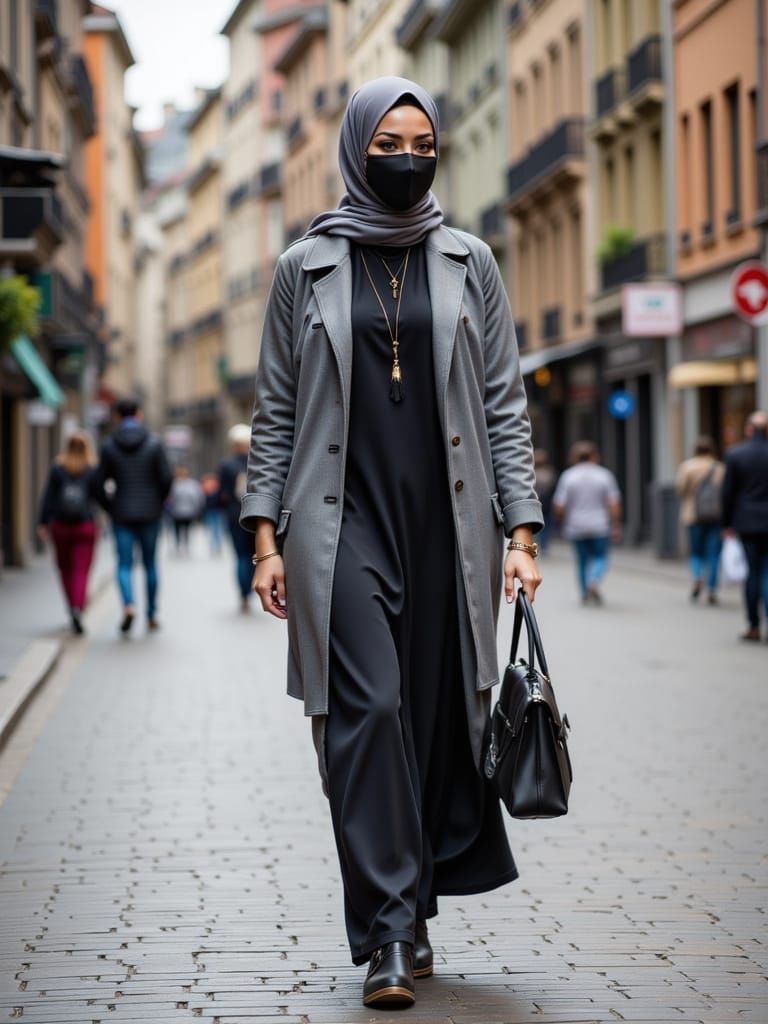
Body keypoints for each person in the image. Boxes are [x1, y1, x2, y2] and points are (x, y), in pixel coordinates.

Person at [239, 78, 543, 1009]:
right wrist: (264, 539)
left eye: (424, 141)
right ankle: (389, 934)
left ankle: (414, 903)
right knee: (365, 714)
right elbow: (278, 413)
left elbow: (503, 403)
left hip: (452, 526)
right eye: (390, 142)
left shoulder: (470, 261)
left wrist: (522, 532)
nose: (409, 156)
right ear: (356, 145)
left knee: (433, 716)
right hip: (341, 526)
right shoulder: (306, 267)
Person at [95, 397, 172, 635]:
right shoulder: (153, 443)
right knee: (150, 564)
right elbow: (166, 479)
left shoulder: (109, 445)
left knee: (124, 564)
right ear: (138, 414)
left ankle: (128, 605)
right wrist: (157, 501)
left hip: (122, 512)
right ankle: (151, 614)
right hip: (150, 513)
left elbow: (97, 483)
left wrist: (110, 506)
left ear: (118, 416)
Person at [38, 431, 100, 634]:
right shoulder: (92, 469)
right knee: (81, 570)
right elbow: (100, 498)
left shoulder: (58, 468)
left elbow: (48, 496)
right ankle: (78, 607)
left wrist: (43, 522)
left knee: (64, 569)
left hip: (60, 526)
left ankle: (71, 607)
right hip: (85, 526)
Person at [553, 441, 622, 605]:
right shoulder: (604, 475)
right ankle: (594, 579)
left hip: (576, 525)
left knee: (582, 560)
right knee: (601, 557)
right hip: (600, 525)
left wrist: (561, 521)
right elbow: (613, 503)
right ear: (594, 456)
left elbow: (560, 505)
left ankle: (585, 591)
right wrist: (616, 523)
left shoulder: (568, 476)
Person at [722, 410, 768, 642]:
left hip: (747, 522)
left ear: (750, 429)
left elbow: (728, 493)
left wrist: (727, 523)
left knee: (753, 573)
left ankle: (754, 625)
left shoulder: (736, 454)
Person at [675, 437, 724, 605]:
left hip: (693, 515)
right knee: (713, 554)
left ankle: (697, 578)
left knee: (696, 552)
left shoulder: (687, 467)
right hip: (715, 516)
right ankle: (711, 588)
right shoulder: (719, 468)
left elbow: (681, 489)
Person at [219, 424, 255, 611]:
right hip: (255, 514)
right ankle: (250, 587)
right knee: (254, 555)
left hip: (234, 515)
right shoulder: (257, 463)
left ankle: (244, 594)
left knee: (240, 556)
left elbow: (222, 494)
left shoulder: (227, 464)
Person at [167, 466, 204, 553]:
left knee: (181, 529)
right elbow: (197, 497)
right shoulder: (188, 484)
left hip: (182, 511)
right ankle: (182, 545)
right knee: (181, 529)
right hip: (182, 511)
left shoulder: (176, 484)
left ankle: (182, 545)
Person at [534, 448, 557, 552]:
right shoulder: (549, 472)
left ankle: (541, 544)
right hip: (544, 503)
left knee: (538, 523)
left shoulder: (532, 473)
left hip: (539, 503)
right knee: (545, 524)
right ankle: (544, 545)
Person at [201, 472, 224, 554]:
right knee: (215, 529)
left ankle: (215, 546)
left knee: (214, 529)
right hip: (213, 510)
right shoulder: (216, 487)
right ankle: (215, 546)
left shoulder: (207, 487)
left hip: (214, 510)